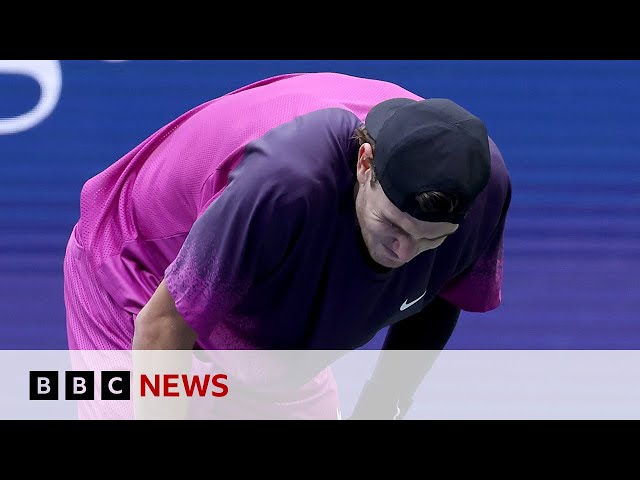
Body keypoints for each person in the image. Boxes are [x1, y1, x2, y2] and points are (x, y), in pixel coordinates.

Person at [63, 71, 512, 420]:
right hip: (136, 279)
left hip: (266, 317)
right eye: (391, 224)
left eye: (430, 240)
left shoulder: (486, 191)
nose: (403, 253)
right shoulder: (285, 183)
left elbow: (438, 296)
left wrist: (380, 407)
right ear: (364, 163)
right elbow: (161, 329)